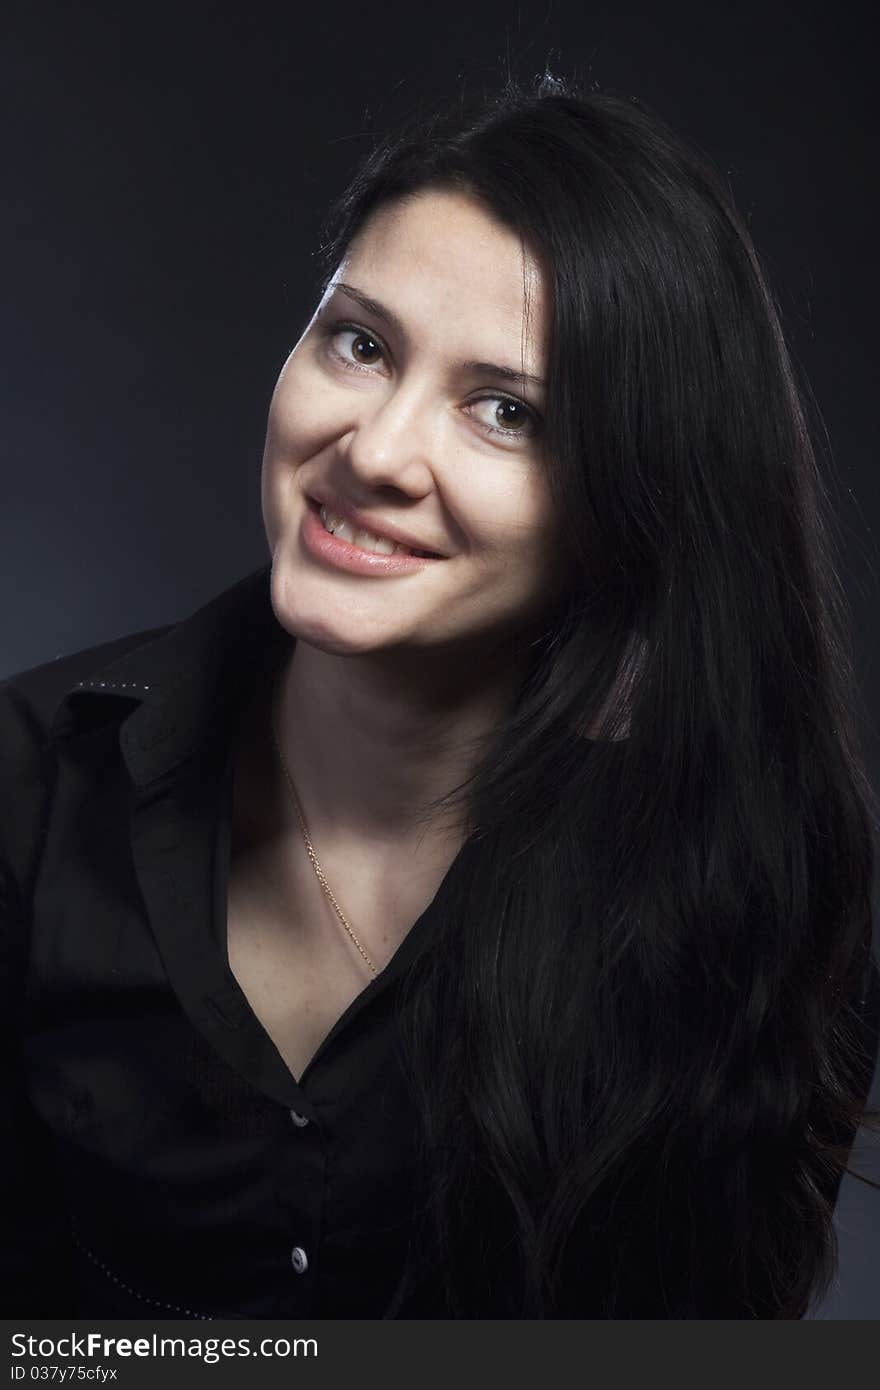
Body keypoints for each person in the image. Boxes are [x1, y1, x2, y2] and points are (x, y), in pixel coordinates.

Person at [2, 72, 879, 1321]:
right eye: (360, 342)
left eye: (503, 410)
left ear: (630, 498)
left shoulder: (747, 892)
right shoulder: (29, 787)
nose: (374, 452)